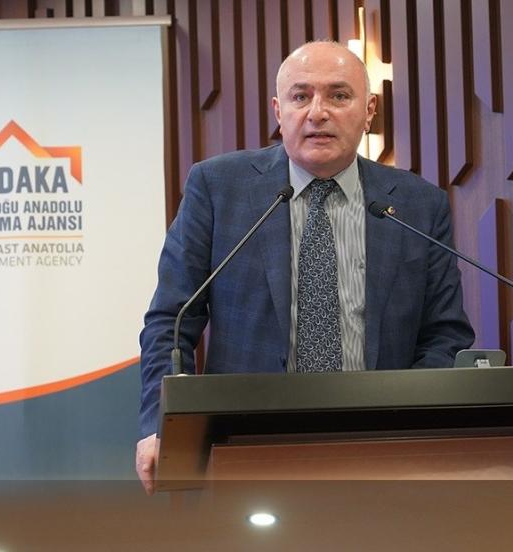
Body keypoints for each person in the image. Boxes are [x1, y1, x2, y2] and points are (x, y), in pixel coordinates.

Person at [135, 41, 475, 494]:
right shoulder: (218, 188)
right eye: (301, 96)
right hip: (245, 447)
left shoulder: (418, 204)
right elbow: (172, 321)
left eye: (339, 95)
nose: (318, 112)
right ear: (279, 111)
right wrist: (161, 424)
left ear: (369, 110)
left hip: (382, 452)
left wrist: (409, 423)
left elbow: (445, 335)